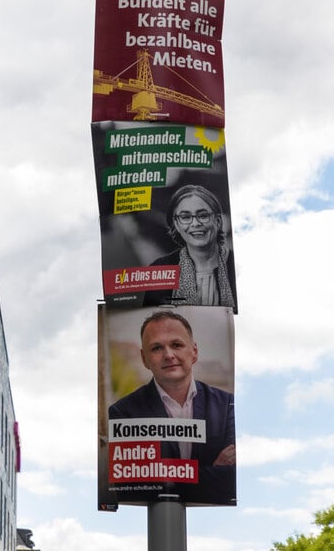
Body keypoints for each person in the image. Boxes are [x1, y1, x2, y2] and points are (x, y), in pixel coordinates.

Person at [108, 310, 235, 504]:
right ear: (144, 359)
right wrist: (211, 471)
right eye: (157, 348)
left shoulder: (227, 405)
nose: (168, 355)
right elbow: (131, 487)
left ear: (194, 352)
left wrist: (166, 475)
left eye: (176, 345)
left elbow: (228, 480)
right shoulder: (123, 413)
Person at [143, 184, 237, 311]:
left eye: (203, 215)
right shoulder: (158, 270)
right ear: (176, 224)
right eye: (185, 217)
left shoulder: (237, 266)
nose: (195, 223)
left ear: (218, 221)